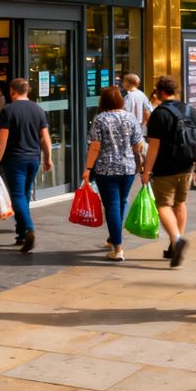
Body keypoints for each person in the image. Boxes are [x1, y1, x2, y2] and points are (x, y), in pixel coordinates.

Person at [142, 74, 196, 267]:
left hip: (165, 167)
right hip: (187, 165)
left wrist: (147, 170)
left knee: (163, 205)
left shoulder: (158, 114)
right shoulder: (189, 109)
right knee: (180, 203)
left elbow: (153, 146)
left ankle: (177, 241)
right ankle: (173, 245)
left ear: (160, 92)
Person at [0, 78, 52, 254]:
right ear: (28, 91)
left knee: (17, 195)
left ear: (12, 91)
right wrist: (48, 158)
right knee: (24, 195)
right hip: (33, 159)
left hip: (14, 159)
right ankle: (21, 232)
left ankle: (29, 228)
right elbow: (45, 138)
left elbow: (2, 140)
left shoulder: (8, 110)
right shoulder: (38, 109)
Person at [82, 86, 144, 262]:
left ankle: (118, 248)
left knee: (112, 205)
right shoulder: (130, 118)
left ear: (104, 101)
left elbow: (95, 146)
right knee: (121, 202)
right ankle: (113, 238)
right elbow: (138, 145)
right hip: (128, 168)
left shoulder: (100, 119)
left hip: (106, 169)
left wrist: (87, 169)